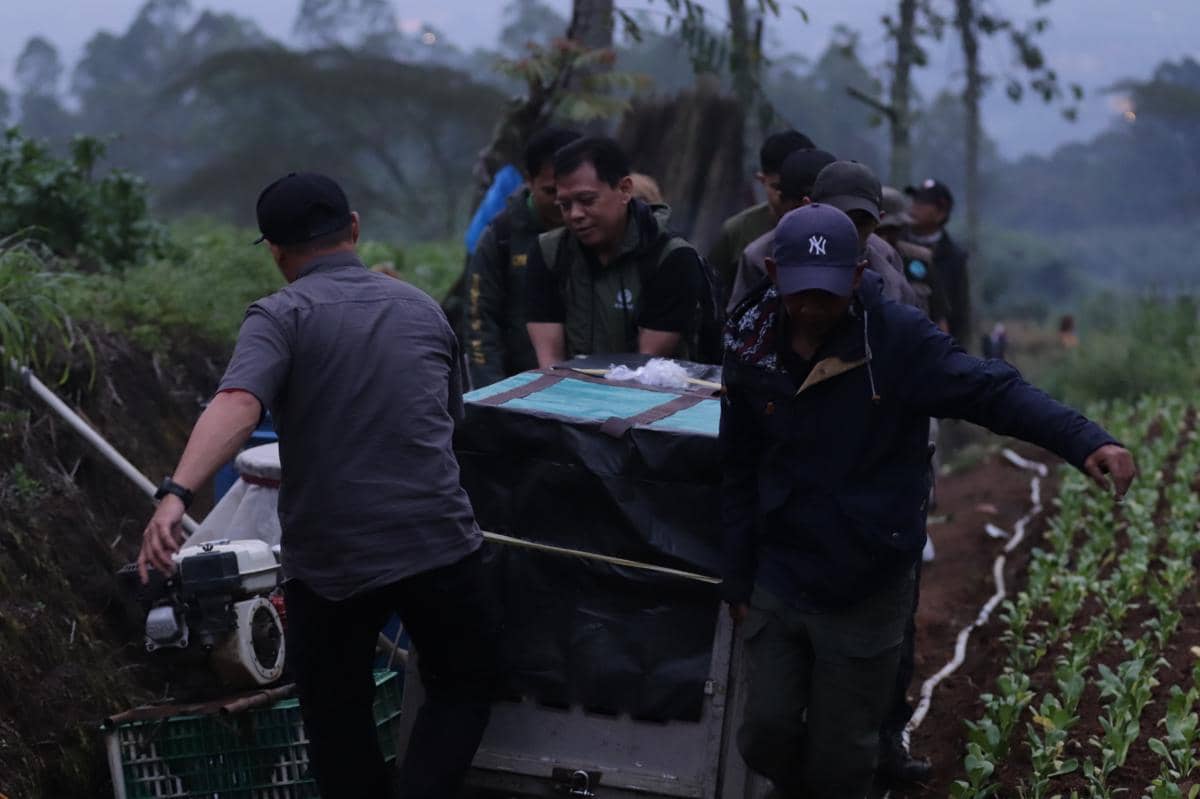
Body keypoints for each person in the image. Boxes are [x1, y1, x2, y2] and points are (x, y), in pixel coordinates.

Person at [720, 203, 1135, 799]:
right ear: (771, 271)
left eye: (829, 293)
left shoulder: (896, 340)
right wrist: (737, 576)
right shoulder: (747, 340)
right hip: (782, 567)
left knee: (843, 760)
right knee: (764, 734)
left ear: (859, 275)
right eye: (799, 293)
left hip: (867, 573)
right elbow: (736, 463)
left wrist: (1084, 439)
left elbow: (992, 389)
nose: (812, 308)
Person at [138, 173, 498, 799]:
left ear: (275, 251)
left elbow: (238, 404)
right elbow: (448, 422)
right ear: (354, 228)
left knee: (337, 719)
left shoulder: (280, 315)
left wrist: (176, 493)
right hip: (438, 542)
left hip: (332, 564)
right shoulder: (424, 310)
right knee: (464, 685)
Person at [525, 136, 711, 365]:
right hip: (566, 393)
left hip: (651, 395)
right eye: (565, 205)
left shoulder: (671, 258)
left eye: (587, 200)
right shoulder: (548, 253)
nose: (575, 214)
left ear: (624, 190)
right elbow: (550, 363)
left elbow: (645, 366)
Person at [464, 127, 581, 388]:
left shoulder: (596, 233)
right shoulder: (501, 237)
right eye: (551, 192)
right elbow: (480, 321)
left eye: (572, 193)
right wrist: (492, 393)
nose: (562, 203)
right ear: (529, 180)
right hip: (516, 385)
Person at [708, 130, 815, 306]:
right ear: (761, 179)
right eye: (779, 188)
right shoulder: (738, 230)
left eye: (797, 191)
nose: (786, 199)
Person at [726, 148, 837, 311]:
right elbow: (738, 317)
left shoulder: (863, 251)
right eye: (798, 211)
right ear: (782, 203)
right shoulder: (757, 255)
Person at [905, 178, 971, 348]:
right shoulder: (893, 241)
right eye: (915, 200)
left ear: (941, 212)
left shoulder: (954, 257)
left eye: (923, 203)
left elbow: (960, 312)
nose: (914, 207)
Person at [877, 186, 950, 330]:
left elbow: (939, 317)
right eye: (881, 230)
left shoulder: (920, 258)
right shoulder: (857, 258)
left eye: (893, 229)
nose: (886, 236)